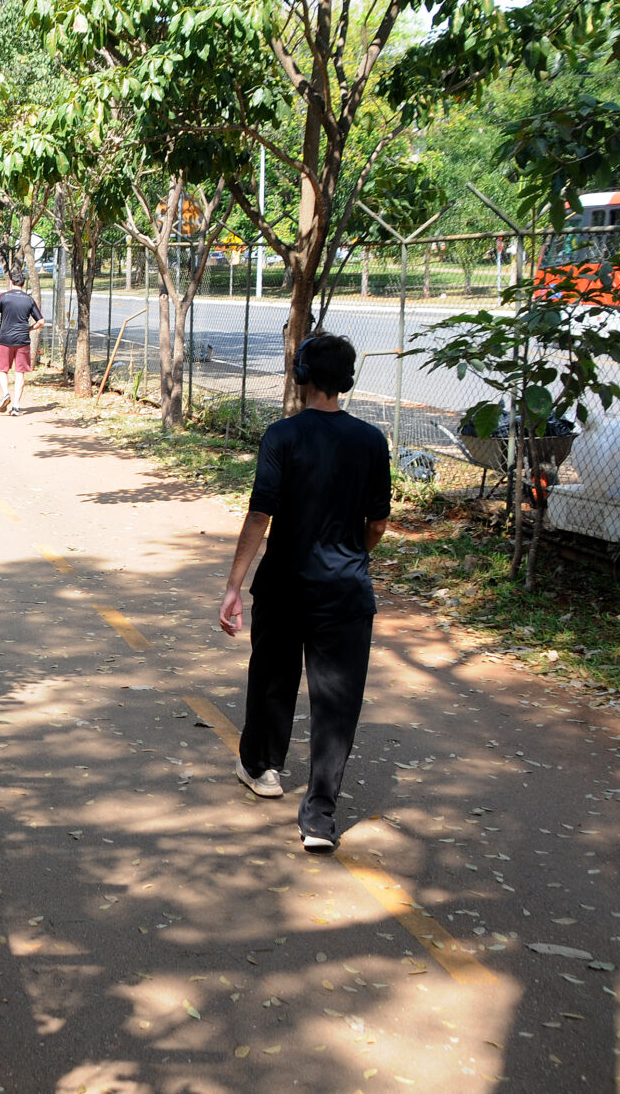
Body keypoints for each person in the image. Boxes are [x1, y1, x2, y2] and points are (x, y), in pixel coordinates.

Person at [218, 333, 391, 854]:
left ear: (301, 374)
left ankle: (263, 768)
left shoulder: (282, 436)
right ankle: (319, 818)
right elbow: (378, 523)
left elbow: (259, 515)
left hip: (284, 585)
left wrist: (234, 586)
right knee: (336, 702)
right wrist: (352, 554)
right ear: (347, 379)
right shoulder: (371, 440)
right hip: (345, 593)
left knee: (273, 676)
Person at [0, 271, 43, 416]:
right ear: (23, 283)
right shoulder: (29, 300)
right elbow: (41, 321)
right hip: (22, 340)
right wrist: (29, 329)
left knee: (2, 370)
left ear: (11, 282)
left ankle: (6, 393)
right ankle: (17, 406)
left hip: (5, 339)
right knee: (20, 372)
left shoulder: (4, 297)